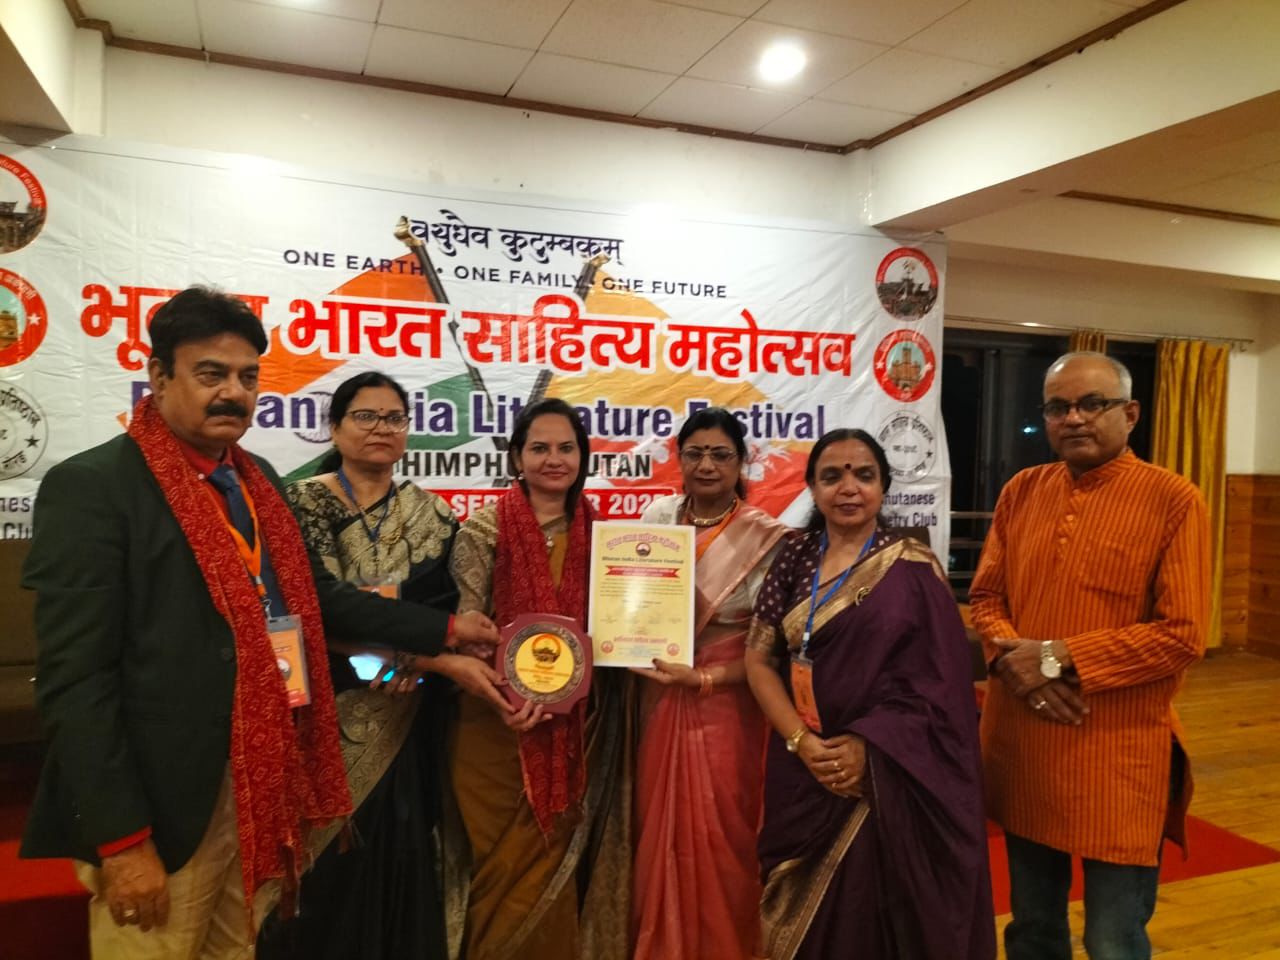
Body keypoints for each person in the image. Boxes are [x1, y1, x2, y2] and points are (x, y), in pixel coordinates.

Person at [20, 287, 494, 959]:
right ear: (159, 377)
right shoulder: (96, 486)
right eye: (211, 374)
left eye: (247, 377)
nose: (232, 393)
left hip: (259, 780)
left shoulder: (256, 480)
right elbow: (76, 681)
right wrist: (123, 841)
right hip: (166, 800)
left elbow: (317, 599)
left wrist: (446, 632)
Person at [258, 371, 510, 960]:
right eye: (365, 416)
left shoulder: (434, 515)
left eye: (394, 418)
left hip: (406, 714)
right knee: (323, 874)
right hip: (322, 709)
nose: (381, 429)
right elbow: (310, 609)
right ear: (335, 427)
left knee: (398, 851)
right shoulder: (298, 505)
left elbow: (444, 604)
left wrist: (419, 663)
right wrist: (418, 654)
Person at [971, 351, 1209, 960]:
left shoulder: (1173, 499)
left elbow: (1182, 634)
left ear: (1130, 414)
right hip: (1025, 747)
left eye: (1092, 404)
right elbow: (987, 599)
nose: (1073, 418)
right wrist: (1023, 672)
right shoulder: (1023, 491)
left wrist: (1054, 659)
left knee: (1113, 939)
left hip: (1117, 754)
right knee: (1032, 928)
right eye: (1058, 407)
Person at [744, 428, 994, 960]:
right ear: (812, 487)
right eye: (832, 476)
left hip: (891, 774)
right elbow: (758, 660)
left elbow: (941, 690)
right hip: (803, 771)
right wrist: (801, 743)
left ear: (883, 486)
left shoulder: (913, 567)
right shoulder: (793, 557)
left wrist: (870, 748)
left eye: (864, 475)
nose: (848, 488)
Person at [445, 397, 630, 960]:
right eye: (540, 448)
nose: (554, 459)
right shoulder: (482, 529)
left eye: (566, 448)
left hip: (575, 726)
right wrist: (507, 695)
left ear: (583, 457)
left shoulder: (608, 540)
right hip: (493, 723)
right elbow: (468, 627)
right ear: (516, 457)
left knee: (556, 861)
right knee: (494, 863)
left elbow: (619, 629)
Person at [631, 407, 788, 960]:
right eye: (695, 453)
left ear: (742, 462)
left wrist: (702, 677)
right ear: (679, 459)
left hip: (728, 702)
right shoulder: (655, 518)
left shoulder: (766, 538)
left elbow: (771, 649)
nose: (706, 465)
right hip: (655, 692)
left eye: (721, 454)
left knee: (725, 829)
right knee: (656, 820)